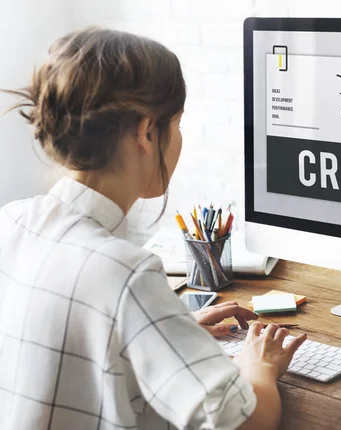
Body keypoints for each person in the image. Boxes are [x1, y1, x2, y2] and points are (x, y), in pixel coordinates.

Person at [0, 27, 306, 430]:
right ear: (147, 132)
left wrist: (165, 329)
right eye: (176, 124)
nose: (177, 139)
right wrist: (259, 367)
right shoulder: (126, 272)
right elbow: (247, 421)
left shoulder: (11, 221)